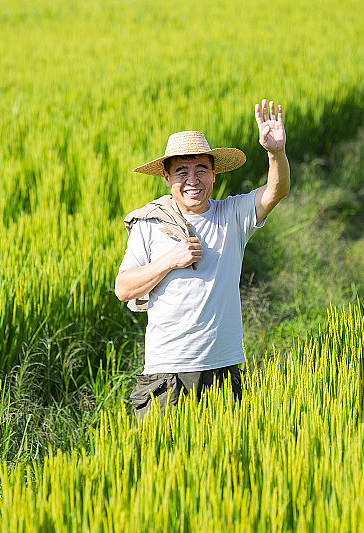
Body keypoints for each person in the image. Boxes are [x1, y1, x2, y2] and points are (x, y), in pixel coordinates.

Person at [114, 99, 290, 418]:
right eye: (182, 171)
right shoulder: (150, 224)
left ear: (213, 174)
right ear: (167, 178)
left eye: (201, 170)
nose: (192, 180)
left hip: (223, 369)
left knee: (225, 462)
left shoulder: (231, 215)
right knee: (164, 462)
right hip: (167, 374)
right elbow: (124, 289)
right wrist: (170, 260)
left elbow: (276, 191)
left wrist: (275, 153)